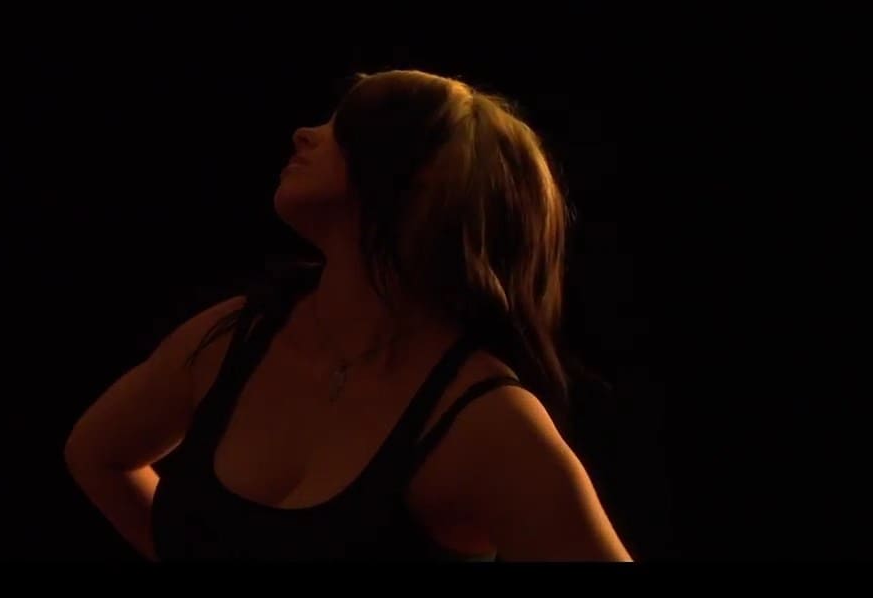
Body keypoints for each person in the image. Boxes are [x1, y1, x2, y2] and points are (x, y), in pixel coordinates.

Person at [64, 69, 633, 561]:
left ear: (416, 183)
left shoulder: (485, 423)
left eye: (346, 128)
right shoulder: (233, 337)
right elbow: (96, 455)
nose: (304, 134)